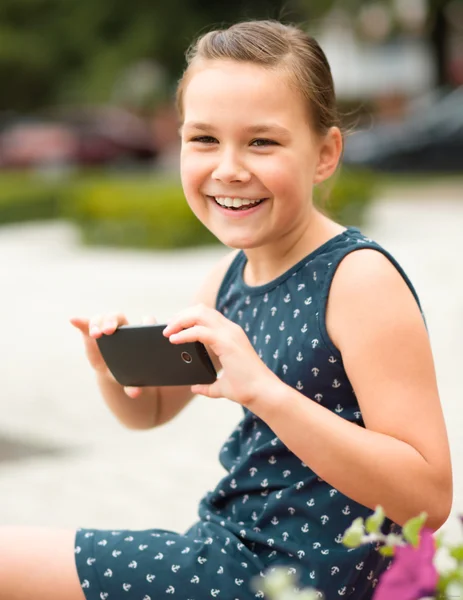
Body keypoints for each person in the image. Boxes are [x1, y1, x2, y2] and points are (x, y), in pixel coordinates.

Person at [0, 19, 452, 600]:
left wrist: (265, 391)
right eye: (204, 139)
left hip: (288, 574)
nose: (228, 167)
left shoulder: (359, 278)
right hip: (229, 545)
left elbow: (430, 497)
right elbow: (152, 412)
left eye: (261, 141)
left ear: (325, 153)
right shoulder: (228, 278)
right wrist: (112, 371)